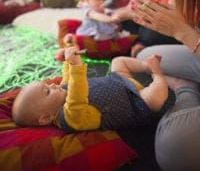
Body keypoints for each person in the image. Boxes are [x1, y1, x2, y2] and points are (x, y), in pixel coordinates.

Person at [131, 0, 200, 171]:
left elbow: (183, 26)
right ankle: (187, 87)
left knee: (174, 147)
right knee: (146, 56)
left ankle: (184, 92)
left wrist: (182, 31)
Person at [12, 46, 168, 132]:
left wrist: (67, 58)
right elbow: (77, 93)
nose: (53, 85)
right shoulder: (69, 117)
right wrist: (76, 66)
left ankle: (145, 65)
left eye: (46, 85)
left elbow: (68, 77)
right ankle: (158, 75)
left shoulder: (62, 89)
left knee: (118, 61)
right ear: (46, 118)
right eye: (47, 91)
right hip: (136, 103)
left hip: (119, 80)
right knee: (155, 98)